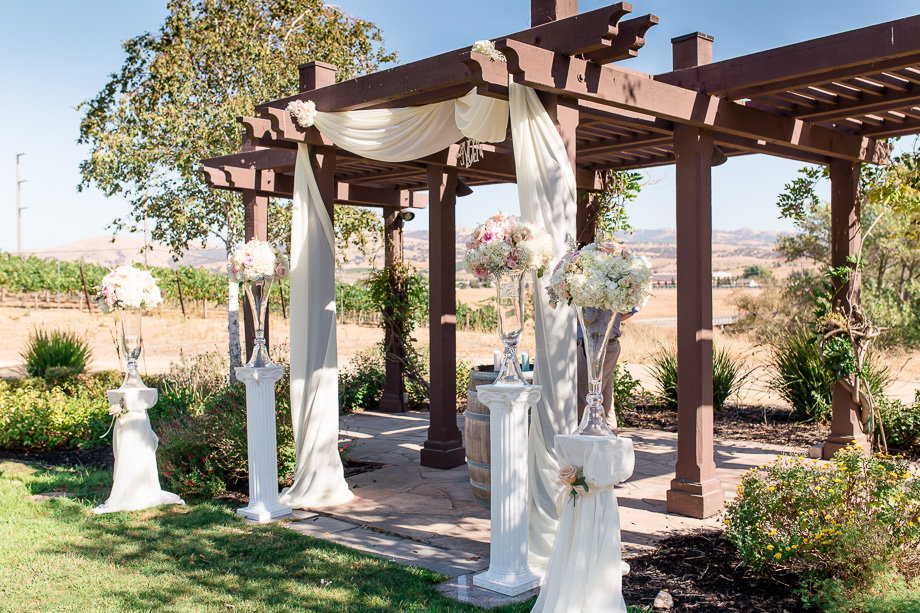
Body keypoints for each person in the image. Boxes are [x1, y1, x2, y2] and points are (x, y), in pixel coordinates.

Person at [576, 307, 637, 431]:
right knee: (606, 400)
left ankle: (586, 442)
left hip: (595, 346)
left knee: (586, 398)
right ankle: (611, 441)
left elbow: (632, 309)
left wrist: (606, 323)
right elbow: (632, 310)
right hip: (608, 344)